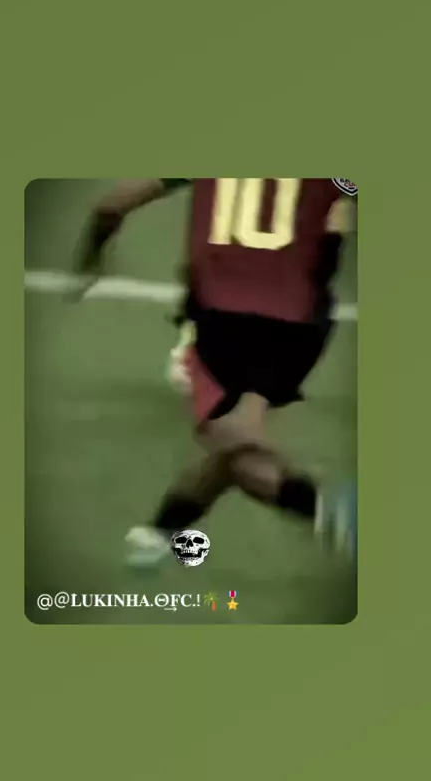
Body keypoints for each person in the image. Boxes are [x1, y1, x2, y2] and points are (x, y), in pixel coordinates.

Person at [72, 178, 357, 566]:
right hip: (302, 318)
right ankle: (162, 531)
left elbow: (111, 205)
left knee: (236, 441)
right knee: (234, 434)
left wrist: (90, 258)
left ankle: (337, 516)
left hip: (224, 318)